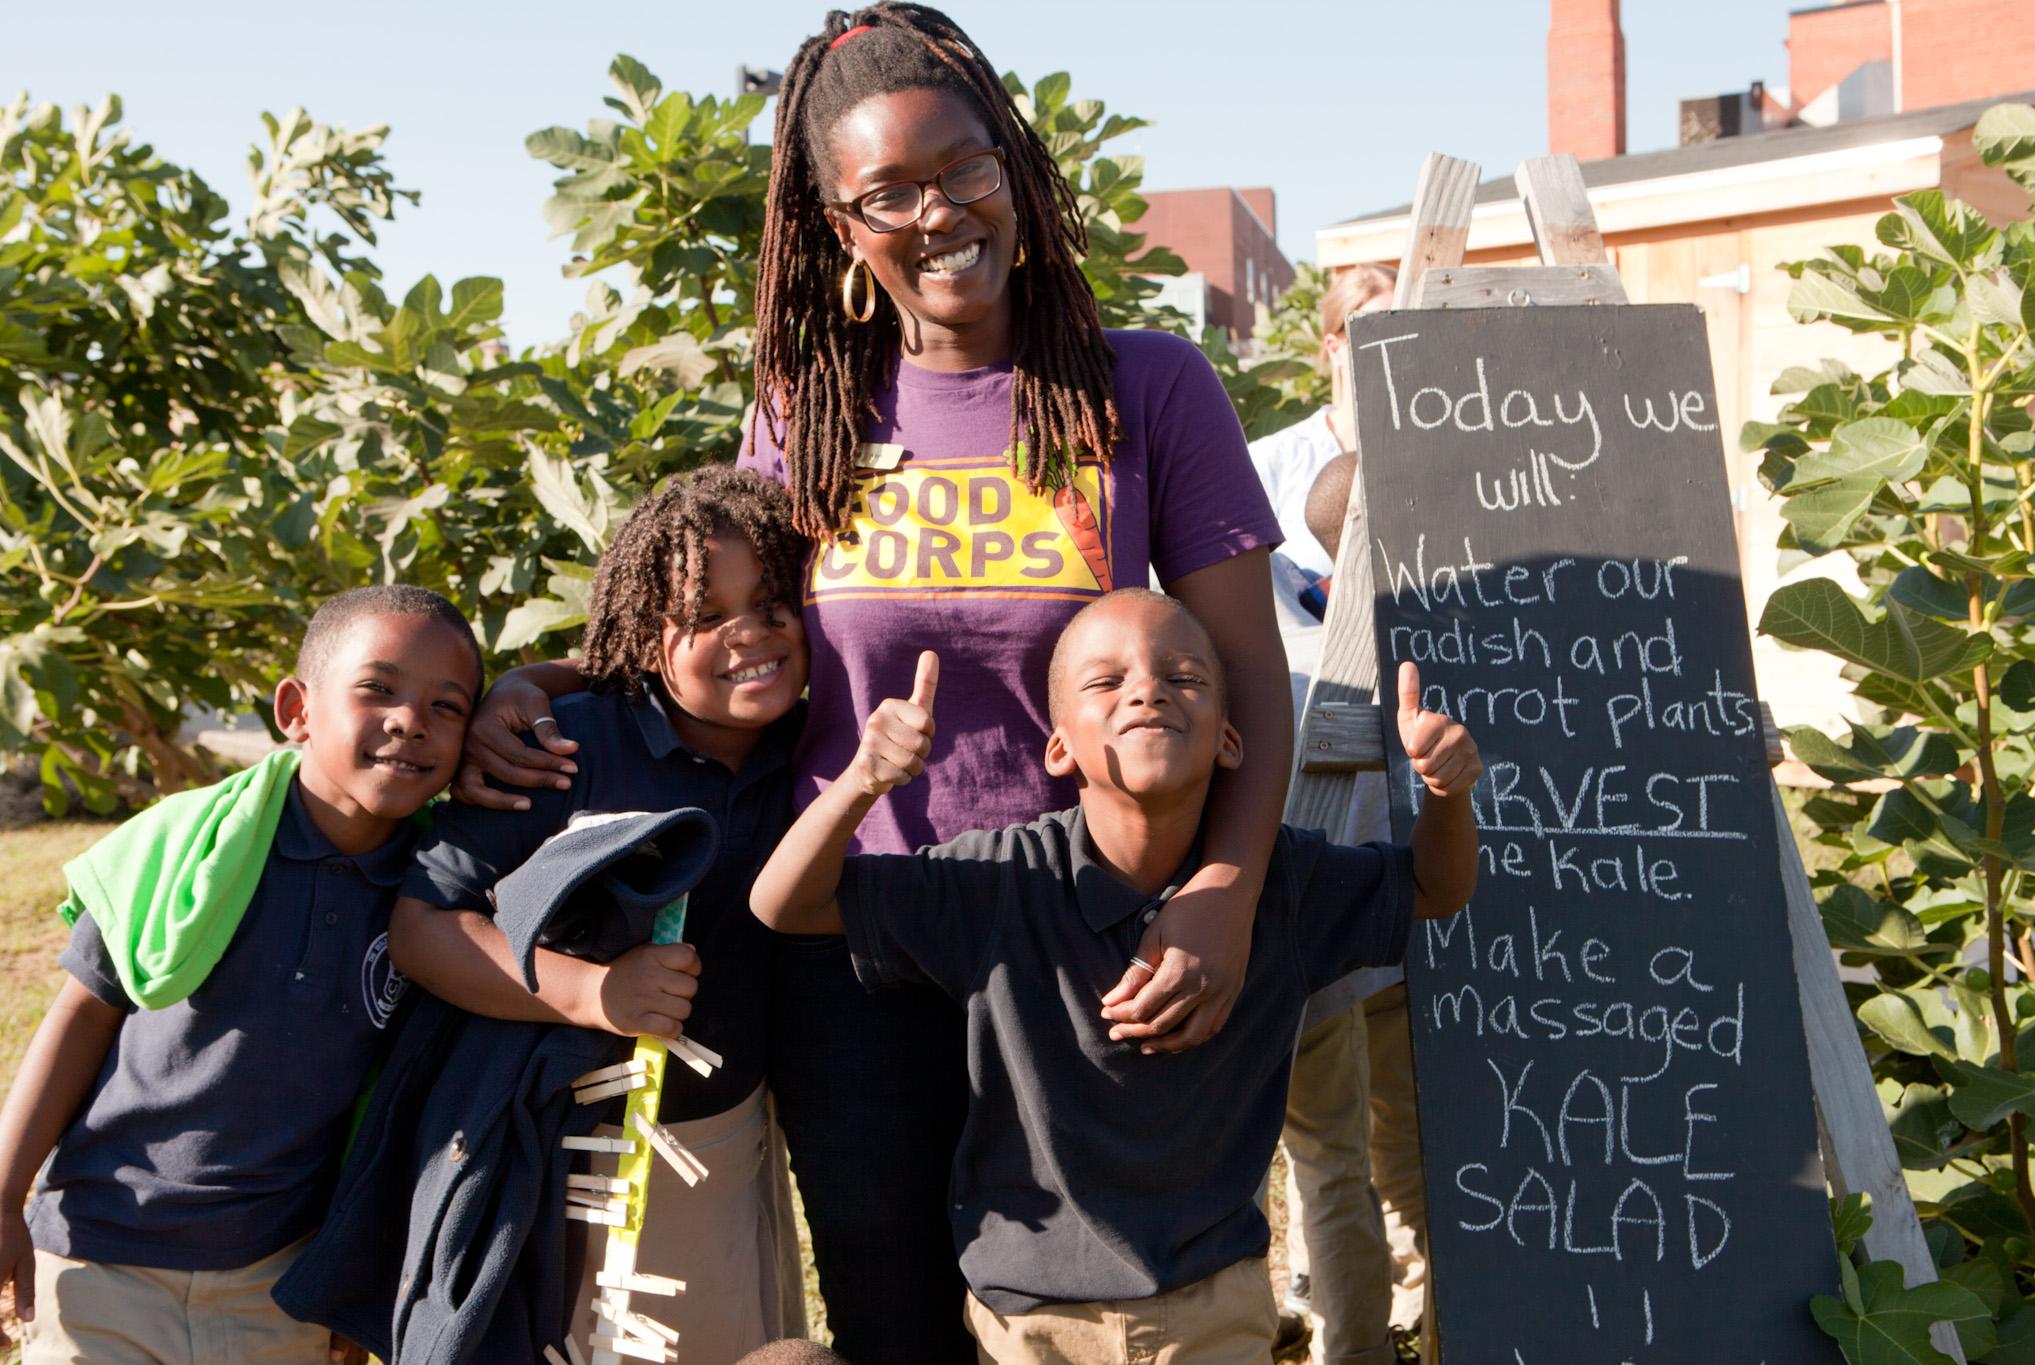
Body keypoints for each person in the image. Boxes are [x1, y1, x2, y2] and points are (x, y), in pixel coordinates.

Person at [458, 8, 1296, 1359]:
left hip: (1082, 943)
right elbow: (729, 633)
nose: (938, 213)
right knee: (894, 1321)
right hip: (851, 946)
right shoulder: (808, 411)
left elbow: (1247, 673)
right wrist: (540, 676)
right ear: (840, 227)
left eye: (963, 168)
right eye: (888, 193)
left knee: (1100, 1314)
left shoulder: (1147, 385)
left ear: (1014, 168)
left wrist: (1220, 896)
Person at [749, 589, 1482, 1364]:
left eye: (1184, 676)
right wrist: (861, 780)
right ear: (1058, 748)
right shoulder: (1003, 882)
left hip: (1216, 1306)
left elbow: (1433, 887)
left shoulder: (1283, 884)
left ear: (1231, 739)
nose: (1147, 690)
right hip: (1033, 1322)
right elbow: (783, 902)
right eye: (1107, 681)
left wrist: (1447, 796)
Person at [379, 468, 812, 1362]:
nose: (749, 633)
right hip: (556, 1154)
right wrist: (592, 992)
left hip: (719, 1145)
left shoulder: (814, 744)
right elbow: (422, 927)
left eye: (772, 602)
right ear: (644, 636)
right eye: (704, 616)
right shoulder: (562, 747)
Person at [0, 585, 483, 1365]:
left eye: (448, 706)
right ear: (296, 708)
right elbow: (81, 1015)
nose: (410, 720)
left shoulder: (437, 896)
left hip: (279, 1281)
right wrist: (2, 1196)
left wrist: (352, 1275)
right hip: (102, 1257)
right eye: (377, 688)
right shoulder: (184, 848)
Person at [1279, 448, 1434, 1365]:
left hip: (1312, 947)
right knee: (1411, 1158)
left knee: (1329, 1167)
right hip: (1402, 936)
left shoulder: (1295, 655)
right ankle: (1437, 1322)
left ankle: (1357, 1351)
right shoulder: (1444, 645)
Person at [1249, 263, 1395, 616]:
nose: (1395, 346)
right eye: (1376, 331)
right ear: (1335, 347)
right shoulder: (1276, 458)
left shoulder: (1441, 452)